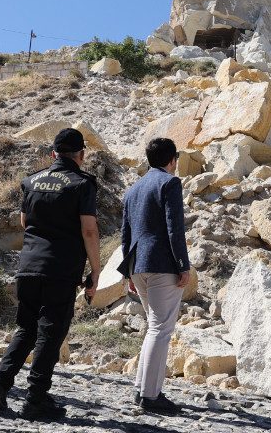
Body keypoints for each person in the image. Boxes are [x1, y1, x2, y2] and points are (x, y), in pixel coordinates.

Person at [0, 128, 100, 421]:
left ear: (53, 155)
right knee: (51, 332)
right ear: (81, 155)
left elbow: (25, 221)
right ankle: (36, 398)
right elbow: (88, 229)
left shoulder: (31, 181)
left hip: (28, 266)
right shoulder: (82, 184)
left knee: (26, 328)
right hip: (60, 269)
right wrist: (96, 270)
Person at [119, 136, 193, 414]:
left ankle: (141, 389)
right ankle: (150, 395)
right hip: (162, 264)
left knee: (153, 327)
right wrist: (182, 264)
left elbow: (125, 234)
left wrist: (128, 272)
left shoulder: (133, 189)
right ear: (172, 160)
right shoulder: (170, 183)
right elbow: (175, 228)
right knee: (161, 329)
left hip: (138, 265)